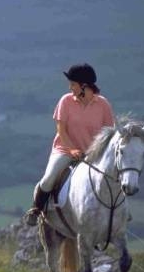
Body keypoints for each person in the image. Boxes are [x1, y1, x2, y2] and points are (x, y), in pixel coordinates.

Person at [23, 63, 115, 226]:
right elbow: (61, 129)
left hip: (93, 154)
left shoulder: (103, 105)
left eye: (73, 84)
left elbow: (109, 134)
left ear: (84, 86)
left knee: (113, 178)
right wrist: (71, 149)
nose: (70, 87)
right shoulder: (66, 101)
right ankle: (36, 210)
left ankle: (119, 212)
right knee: (48, 179)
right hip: (64, 150)